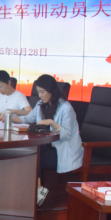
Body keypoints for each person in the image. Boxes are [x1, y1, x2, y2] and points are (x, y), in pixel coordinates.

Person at [14, 74, 84, 206]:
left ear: (52, 91)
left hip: (64, 151)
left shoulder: (66, 108)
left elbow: (67, 134)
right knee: (30, 152)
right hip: (48, 146)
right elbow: (28, 118)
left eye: (42, 92)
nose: (40, 96)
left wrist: (52, 123)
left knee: (36, 156)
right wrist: (9, 118)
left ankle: (35, 191)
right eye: (38, 92)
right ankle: (37, 189)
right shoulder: (41, 104)